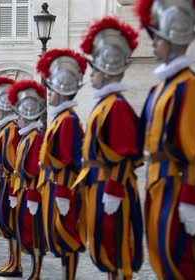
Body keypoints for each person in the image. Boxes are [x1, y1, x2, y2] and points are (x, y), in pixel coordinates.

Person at [135, 0, 195, 278]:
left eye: (157, 36)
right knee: (164, 263)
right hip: (159, 184)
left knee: (182, 266)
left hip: (178, 186)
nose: (153, 43)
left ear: (173, 37)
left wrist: (192, 198)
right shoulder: (163, 87)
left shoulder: (190, 87)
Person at [76, 16, 143, 279]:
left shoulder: (116, 106)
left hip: (111, 186)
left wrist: (113, 189)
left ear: (106, 68)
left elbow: (125, 153)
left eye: (95, 69)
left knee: (117, 248)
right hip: (100, 184)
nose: (91, 74)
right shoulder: (104, 104)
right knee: (105, 246)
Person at [36, 48, 87, 280]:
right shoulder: (61, 119)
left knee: (69, 237)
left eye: (52, 89)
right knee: (59, 235)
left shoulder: (67, 121)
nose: (48, 94)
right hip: (56, 183)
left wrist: (64, 193)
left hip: (63, 184)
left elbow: (68, 160)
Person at [7, 80, 47, 280]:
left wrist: (29, 192)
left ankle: (37, 271)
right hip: (23, 190)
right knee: (26, 231)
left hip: (32, 191)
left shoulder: (35, 138)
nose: (18, 121)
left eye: (20, 116)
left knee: (35, 233)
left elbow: (32, 169)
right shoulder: (27, 137)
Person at [0, 77, 24, 277]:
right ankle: (11, 260)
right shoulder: (5, 129)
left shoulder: (9, 130)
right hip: (1, 181)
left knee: (11, 223)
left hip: (7, 183)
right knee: (5, 223)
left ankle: (16, 263)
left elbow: (11, 160)